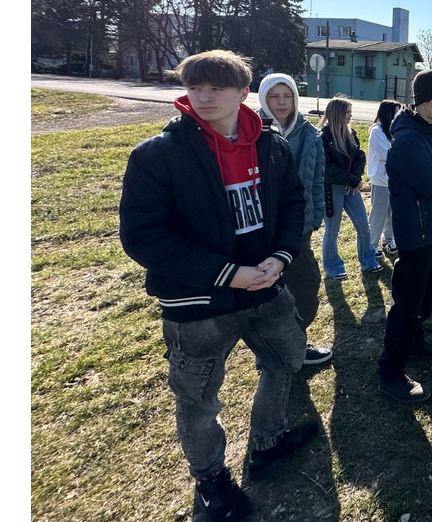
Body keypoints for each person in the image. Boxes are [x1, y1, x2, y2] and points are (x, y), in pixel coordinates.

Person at [119, 50, 320, 522]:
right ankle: (211, 480)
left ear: (243, 93)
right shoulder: (158, 154)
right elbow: (144, 237)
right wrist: (229, 274)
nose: (204, 96)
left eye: (217, 88)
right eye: (196, 87)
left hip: (268, 287)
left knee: (286, 359)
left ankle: (267, 442)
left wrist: (280, 257)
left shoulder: (270, 147)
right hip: (199, 303)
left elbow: (293, 203)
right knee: (198, 398)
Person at [378, 70, 432, 403]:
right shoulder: (408, 138)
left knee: (426, 294)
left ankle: (415, 344)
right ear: (424, 101)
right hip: (418, 230)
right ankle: (390, 373)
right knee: (408, 302)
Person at [257, 73, 333, 366]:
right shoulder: (251, 131)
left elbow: (317, 180)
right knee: (267, 292)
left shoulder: (310, 134)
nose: (281, 103)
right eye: (274, 97)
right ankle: (272, 351)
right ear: (264, 98)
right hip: (260, 229)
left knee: (306, 285)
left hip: (297, 227)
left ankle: (294, 341)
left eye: (287, 96)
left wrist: (314, 217)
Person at [319, 97, 381, 280]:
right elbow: (326, 167)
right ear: (336, 113)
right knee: (333, 229)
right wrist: (350, 179)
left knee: (363, 225)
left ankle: (368, 261)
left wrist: (355, 178)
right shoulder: (323, 137)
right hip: (331, 188)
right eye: (347, 112)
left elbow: (359, 157)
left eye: (350, 112)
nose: (350, 116)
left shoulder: (351, 133)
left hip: (350, 187)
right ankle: (333, 267)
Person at [366, 99, 402, 260]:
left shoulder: (393, 130)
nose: (396, 116)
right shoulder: (376, 130)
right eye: (394, 113)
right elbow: (387, 154)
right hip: (380, 180)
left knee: (392, 213)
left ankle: (388, 239)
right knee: (378, 214)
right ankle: (371, 244)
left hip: (394, 180)